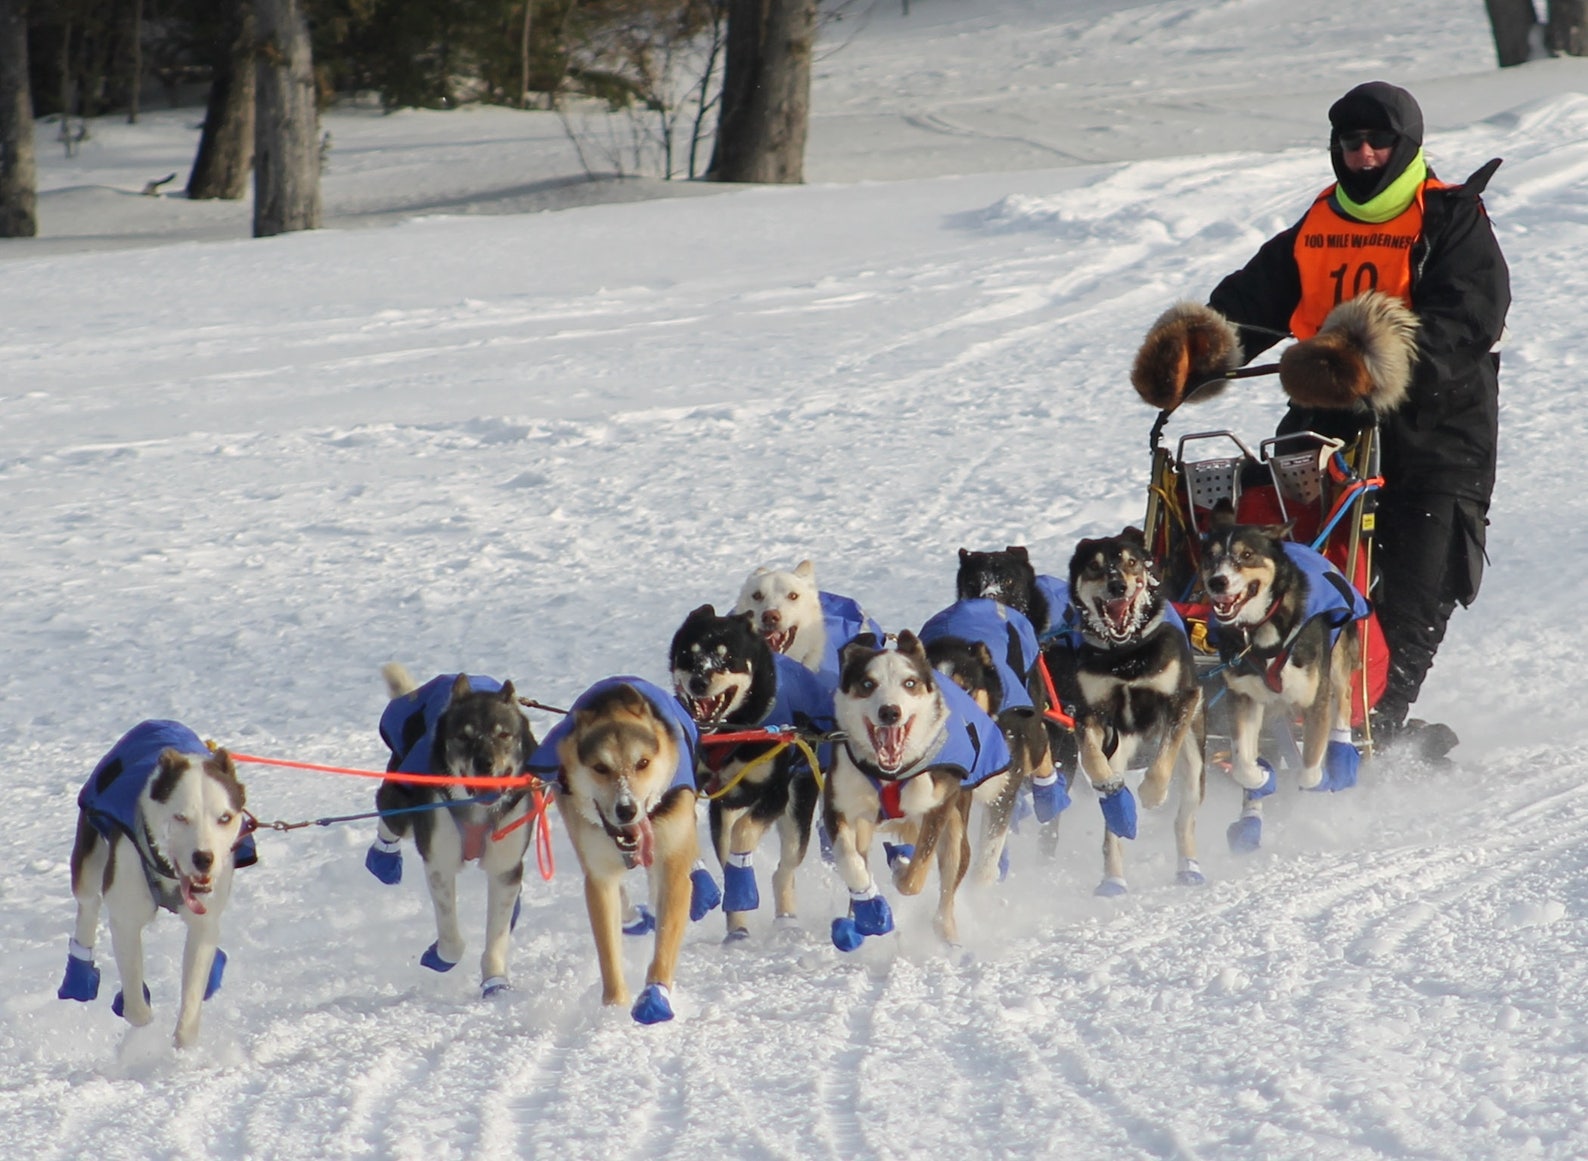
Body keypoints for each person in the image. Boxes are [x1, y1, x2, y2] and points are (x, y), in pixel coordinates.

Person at [1128, 81, 1510, 760]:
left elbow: (1470, 319)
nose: (1363, 156)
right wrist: (1193, 355)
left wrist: (1370, 359)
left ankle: (1374, 728)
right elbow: (1250, 304)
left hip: (1438, 437)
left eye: (1378, 143)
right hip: (1328, 432)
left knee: (1418, 593)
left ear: (1405, 146)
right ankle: (1279, 708)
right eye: (1350, 143)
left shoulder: (1449, 219)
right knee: (1304, 578)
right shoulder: (1319, 225)